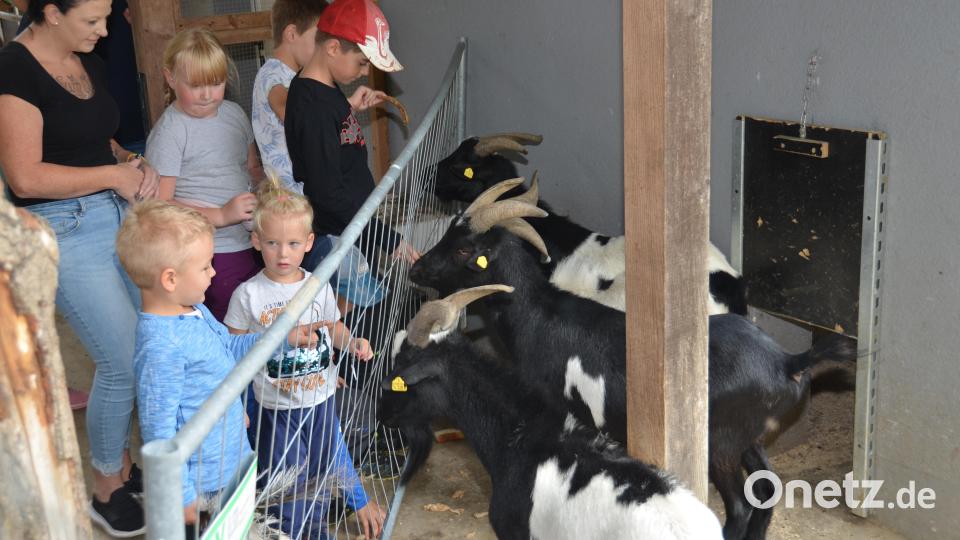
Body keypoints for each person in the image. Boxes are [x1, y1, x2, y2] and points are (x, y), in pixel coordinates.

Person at [0, 0, 159, 535]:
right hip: (61, 227)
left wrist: (126, 160)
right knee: (118, 358)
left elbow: (91, 137)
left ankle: (123, 465)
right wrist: (111, 177)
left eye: (105, 16)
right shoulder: (14, 68)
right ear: (50, 11)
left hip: (112, 212)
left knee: (146, 342)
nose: (104, 29)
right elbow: (25, 177)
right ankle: (104, 487)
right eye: (91, 19)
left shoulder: (83, 54)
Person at [115, 200, 324, 533]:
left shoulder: (193, 310)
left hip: (230, 460)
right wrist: (184, 500)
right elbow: (159, 434)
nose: (214, 273)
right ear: (170, 279)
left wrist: (282, 337)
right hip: (202, 486)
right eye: (205, 267)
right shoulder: (161, 347)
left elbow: (228, 348)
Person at [224, 178, 386, 540]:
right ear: (256, 241)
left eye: (294, 244)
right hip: (276, 410)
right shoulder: (247, 295)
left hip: (320, 399)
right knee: (292, 493)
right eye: (272, 243)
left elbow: (333, 326)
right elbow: (233, 353)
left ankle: (323, 527)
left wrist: (352, 341)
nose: (283, 253)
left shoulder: (318, 284)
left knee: (325, 471)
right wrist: (240, 406)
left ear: (309, 243)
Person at [284, 0, 420, 274]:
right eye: (361, 63)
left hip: (355, 227)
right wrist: (388, 238)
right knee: (361, 312)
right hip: (339, 237)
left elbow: (328, 138)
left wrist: (348, 108)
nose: (366, 72)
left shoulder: (323, 89)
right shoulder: (313, 107)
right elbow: (326, 193)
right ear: (333, 47)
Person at [145, 28, 264, 321]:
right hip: (206, 253)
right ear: (171, 78)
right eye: (196, 85)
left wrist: (265, 196)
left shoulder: (235, 114)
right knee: (231, 325)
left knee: (258, 319)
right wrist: (222, 215)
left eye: (216, 83)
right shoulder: (171, 131)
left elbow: (252, 168)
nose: (207, 94)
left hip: (250, 242)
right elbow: (159, 206)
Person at [252, 0, 327, 193]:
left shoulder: (296, 75)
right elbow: (286, 109)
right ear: (291, 34)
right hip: (291, 192)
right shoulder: (272, 73)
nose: (323, 49)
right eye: (318, 40)